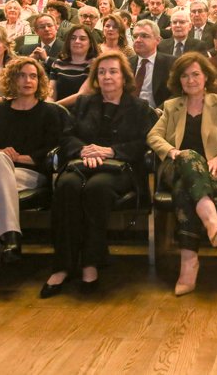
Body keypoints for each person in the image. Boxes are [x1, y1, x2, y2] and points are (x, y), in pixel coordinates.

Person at [41, 51, 156, 298]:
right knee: (67, 186)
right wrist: (83, 149)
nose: (107, 77)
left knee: (97, 189)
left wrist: (111, 151)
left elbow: (144, 144)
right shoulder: (84, 103)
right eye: (102, 72)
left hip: (121, 168)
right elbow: (66, 136)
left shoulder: (139, 107)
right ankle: (63, 265)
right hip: (82, 163)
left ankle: (91, 262)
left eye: (113, 71)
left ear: (124, 77)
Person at [147, 53, 217, 296]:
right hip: (176, 168)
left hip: (215, 173)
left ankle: (189, 262)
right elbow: (153, 136)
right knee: (188, 156)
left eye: (196, 74)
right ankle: (211, 222)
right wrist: (172, 151)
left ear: (206, 77)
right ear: (178, 80)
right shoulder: (172, 106)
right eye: (184, 75)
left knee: (185, 190)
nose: (191, 80)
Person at [0, 57, 63, 291]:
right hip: (1, 172)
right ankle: (9, 237)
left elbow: (51, 151)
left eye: (33, 76)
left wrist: (17, 158)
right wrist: (1, 154)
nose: (28, 80)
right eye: (21, 75)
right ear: (11, 79)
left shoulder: (49, 112)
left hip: (30, 174)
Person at [48, 24, 99, 107]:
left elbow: (82, 94)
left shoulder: (96, 64)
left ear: (90, 43)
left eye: (82, 39)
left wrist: (55, 107)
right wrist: (49, 104)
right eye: (73, 38)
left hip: (83, 112)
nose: (77, 41)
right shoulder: (58, 64)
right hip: (58, 112)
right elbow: (51, 92)